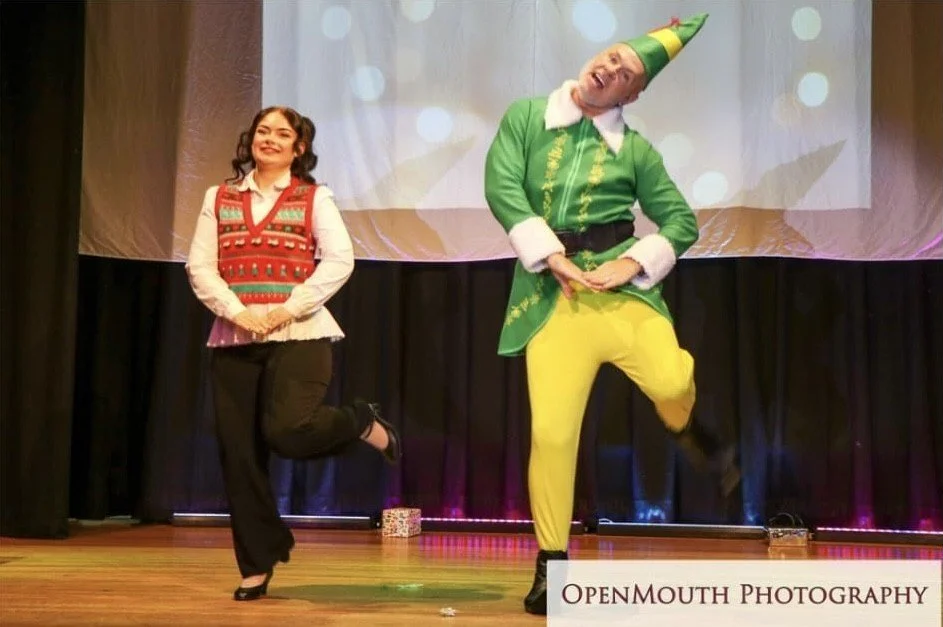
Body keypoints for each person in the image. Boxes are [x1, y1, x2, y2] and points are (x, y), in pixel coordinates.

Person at [483, 14, 740, 615]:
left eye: (625, 71)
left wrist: (632, 265)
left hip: (621, 294)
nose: (609, 67)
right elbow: (503, 188)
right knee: (551, 434)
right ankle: (552, 564)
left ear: (634, 93)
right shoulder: (527, 117)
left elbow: (682, 223)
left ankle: (686, 428)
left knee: (674, 382)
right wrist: (552, 257)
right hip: (554, 296)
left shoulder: (638, 153)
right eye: (611, 56)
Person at [186, 106, 401, 601]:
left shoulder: (313, 197)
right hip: (235, 336)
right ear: (251, 139)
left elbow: (339, 260)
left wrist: (285, 308)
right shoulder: (217, 197)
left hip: (301, 333)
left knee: (287, 430)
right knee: (239, 456)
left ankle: (359, 420)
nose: (270, 139)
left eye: (283, 134)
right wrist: (239, 311)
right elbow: (201, 265)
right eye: (263, 131)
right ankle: (257, 563)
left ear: (298, 148)